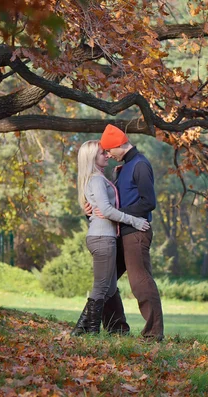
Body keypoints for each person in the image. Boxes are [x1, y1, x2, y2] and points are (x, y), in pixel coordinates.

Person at [87, 124, 164, 341]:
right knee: (107, 281)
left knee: (140, 282)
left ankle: (153, 335)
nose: (108, 155)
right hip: (119, 233)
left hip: (136, 233)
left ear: (120, 145)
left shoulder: (140, 164)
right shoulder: (122, 168)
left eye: (110, 150)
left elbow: (148, 202)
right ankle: (116, 329)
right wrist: (93, 211)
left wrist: (116, 213)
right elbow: (110, 204)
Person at [71, 140, 150, 336]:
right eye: (101, 153)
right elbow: (106, 210)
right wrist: (135, 221)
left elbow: (102, 206)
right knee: (101, 287)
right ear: (92, 158)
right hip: (103, 238)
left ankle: (83, 328)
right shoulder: (96, 180)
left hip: (104, 236)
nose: (106, 155)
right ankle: (90, 330)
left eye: (106, 152)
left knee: (109, 287)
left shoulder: (99, 178)